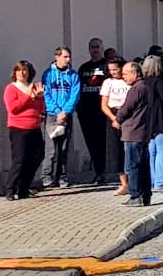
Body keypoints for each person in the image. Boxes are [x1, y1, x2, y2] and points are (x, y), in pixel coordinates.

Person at [3, 61, 45, 200]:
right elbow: (13, 108)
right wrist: (27, 96)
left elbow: (40, 108)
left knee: (37, 156)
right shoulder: (11, 88)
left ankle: (24, 187)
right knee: (20, 159)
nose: (22, 73)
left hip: (34, 127)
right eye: (19, 70)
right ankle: (10, 188)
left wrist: (38, 97)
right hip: (18, 128)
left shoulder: (32, 87)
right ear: (15, 73)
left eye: (25, 70)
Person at [41, 46, 81, 189]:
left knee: (63, 149)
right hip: (52, 115)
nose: (68, 59)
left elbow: (75, 94)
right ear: (57, 57)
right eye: (65, 57)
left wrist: (65, 111)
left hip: (66, 115)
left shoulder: (73, 75)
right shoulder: (48, 74)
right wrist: (57, 111)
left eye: (69, 57)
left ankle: (62, 176)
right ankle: (47, 176)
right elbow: (46, 95)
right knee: (51, 149)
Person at [114, 62, 151, 207]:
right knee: (143, 165)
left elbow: (126, 109)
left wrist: (117, 119)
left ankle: (136, 195)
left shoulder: (136, 89)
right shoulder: (144, 87)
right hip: (141, 132)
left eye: (125, 74)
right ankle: (145, 195)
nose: (123, 77)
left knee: (133, 166)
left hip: (133, 132)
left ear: (134, 74)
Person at [78, 38, 108, 184]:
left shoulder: (107, 66)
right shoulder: (84, 68)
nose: (95, 49)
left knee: (104, 143)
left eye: (97, 47)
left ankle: (106, 171)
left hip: (103, 111)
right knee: (92, 143)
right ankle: (98, 171)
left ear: (102, 48)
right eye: (92, 47)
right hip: (87, 112)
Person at [100, 58, 131, 196]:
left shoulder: (128, 81)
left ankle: (134, 180)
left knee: (130, 148)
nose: (113, 72)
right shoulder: (108, 83)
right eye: (110, 70)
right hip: (113, 115)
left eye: (115, 69)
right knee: (116, 150)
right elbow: (104, 104)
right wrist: (114, 119)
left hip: (129, 115)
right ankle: (124, 183)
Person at [142, 55, 163, 190]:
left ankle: (152, 180)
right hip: (160, 120)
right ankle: (160, 182)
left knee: (151, 151)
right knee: (162, 151)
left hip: (147, 120)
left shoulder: (142, 82)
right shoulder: (159, 82)